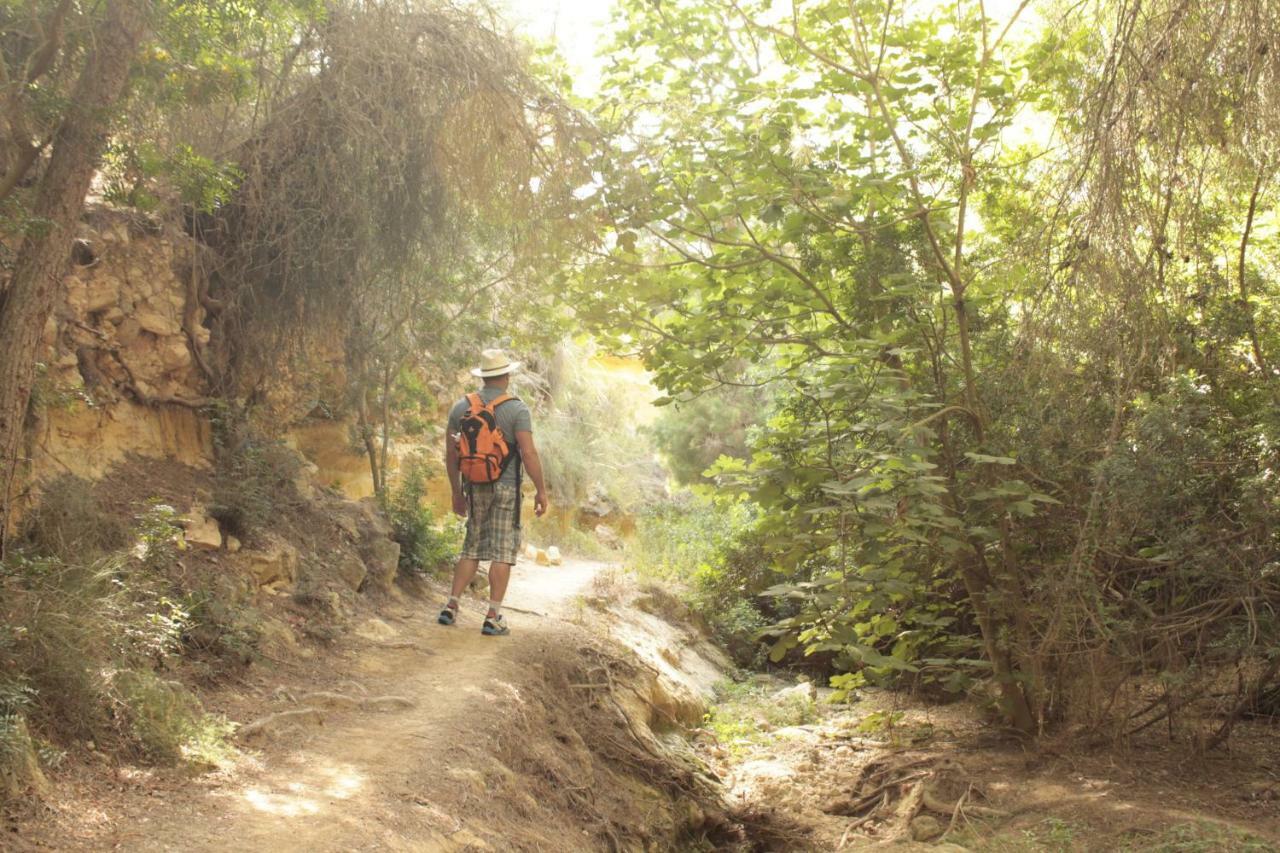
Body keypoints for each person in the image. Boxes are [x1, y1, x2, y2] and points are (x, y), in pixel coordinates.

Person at [438, 349, 548, 635]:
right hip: (506, 487)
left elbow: (451, 456)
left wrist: (456, 492)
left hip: (474, 486)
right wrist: (541, 490)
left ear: (484, 377)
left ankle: (451, 606)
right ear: (507, 376)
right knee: (502, 551)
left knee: (471, 545)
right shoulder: (517, 409)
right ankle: (492, 615)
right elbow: (528, 452)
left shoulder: (460, 407)